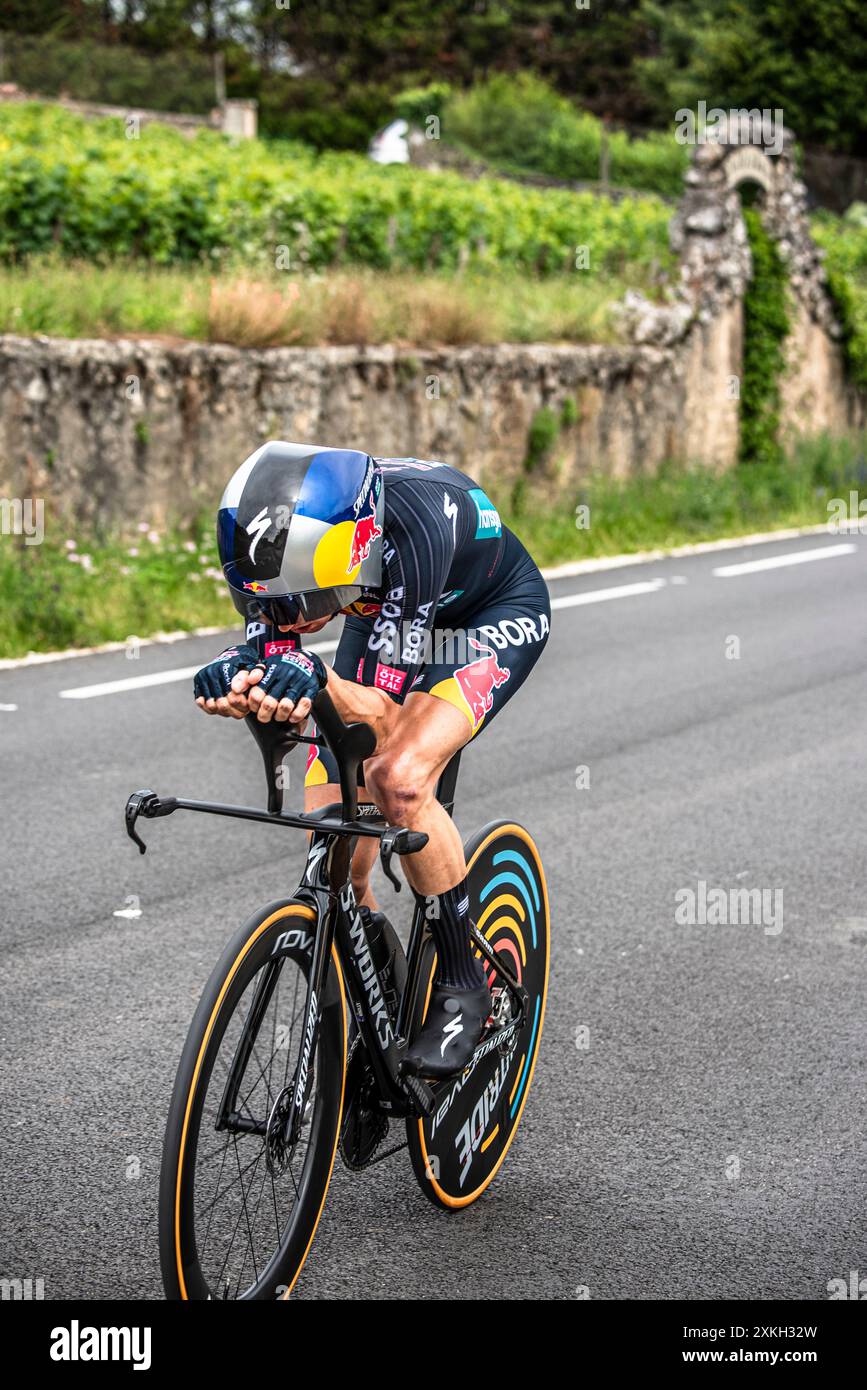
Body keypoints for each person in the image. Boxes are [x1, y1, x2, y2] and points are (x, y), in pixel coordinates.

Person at [193, 441, 550, 1077]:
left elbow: (383, 719)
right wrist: (242, 672)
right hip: (384, 608)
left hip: (484, 614)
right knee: (331, 834)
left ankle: (466, 986)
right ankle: (377, 988)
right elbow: (276, 642)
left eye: (299, 597)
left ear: (353, 549)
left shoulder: (414, 532)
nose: (285, 614)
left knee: (400, 779)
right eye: (269, 597)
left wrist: (309, 673)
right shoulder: (280, 549)